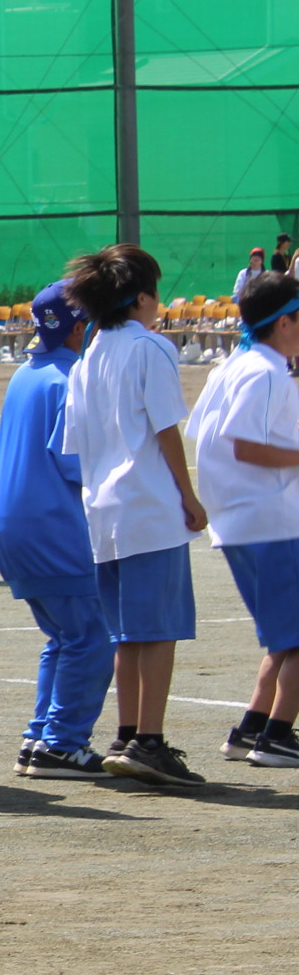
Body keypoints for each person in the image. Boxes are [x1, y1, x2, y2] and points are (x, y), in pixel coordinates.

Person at [62, 243, 208, 789]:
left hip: (104, 509)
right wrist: (188, 496)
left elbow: (75, 442)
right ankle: (149, 739)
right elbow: (165, 427)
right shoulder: (151, 348)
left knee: (127, 632)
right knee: (160, 629)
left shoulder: (89, 355)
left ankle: (127, 733)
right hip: (148, 506)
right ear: (142, 297)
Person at [0, 285, 109, 781]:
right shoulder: (71, 379)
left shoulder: (24, 373)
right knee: (91, 635)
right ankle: (62, 743)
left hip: (10, 525)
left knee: (63, 636)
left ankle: (40, 738)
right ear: (80, 328)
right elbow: (76, 461)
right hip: (52, 524)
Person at [192, 271, 299, 767]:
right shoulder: (266, 372)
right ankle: (277, 737)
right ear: (284, 325)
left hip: (243, 521)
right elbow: (246, 443)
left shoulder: (234, 366)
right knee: (296, 638)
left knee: (284, 637)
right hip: (270, 522)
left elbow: (204, 434)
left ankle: (250, 729)